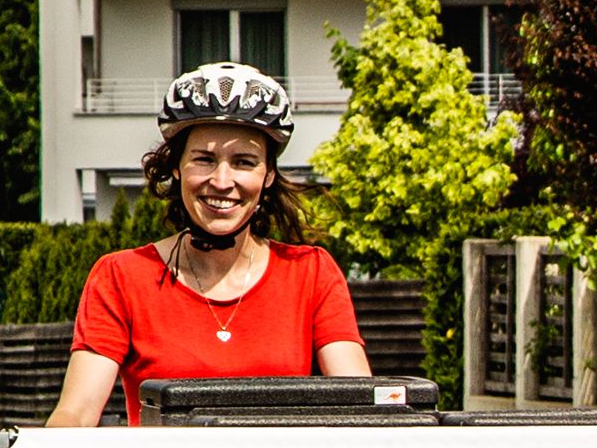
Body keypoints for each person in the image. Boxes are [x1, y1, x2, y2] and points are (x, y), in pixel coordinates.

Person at [48, 64, 372, 427]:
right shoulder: (122, 277)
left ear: (267, 176)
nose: (222, 181)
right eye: (204, 159)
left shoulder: (311, 273)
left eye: (243, 162)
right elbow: (75, 414)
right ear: (176, 167)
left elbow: (360, 406)